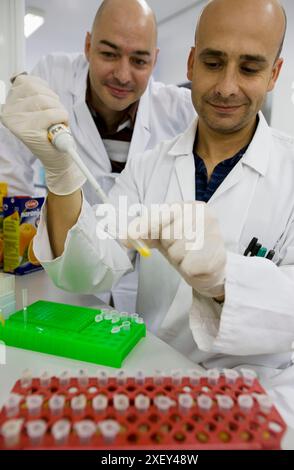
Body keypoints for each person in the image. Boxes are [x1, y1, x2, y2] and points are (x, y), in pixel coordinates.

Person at [2, 0, 294, 427]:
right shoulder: (148, 167)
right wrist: (62, 176)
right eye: (213, 62)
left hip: (263, 400)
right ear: (192, 62)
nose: (227, 86)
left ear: (273, 73)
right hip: (157, 382)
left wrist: (226, 282)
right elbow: (89, 271)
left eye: (250, 68)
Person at [0, 0, 196, 311]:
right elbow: (7, 166)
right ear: (88, 45)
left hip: (143, 283)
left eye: (140, 62)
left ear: (155, 60)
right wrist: (25, 248)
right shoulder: (54, 77)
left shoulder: (179, 110)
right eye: (108, 53)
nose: (122, 75)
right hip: (63, 271)